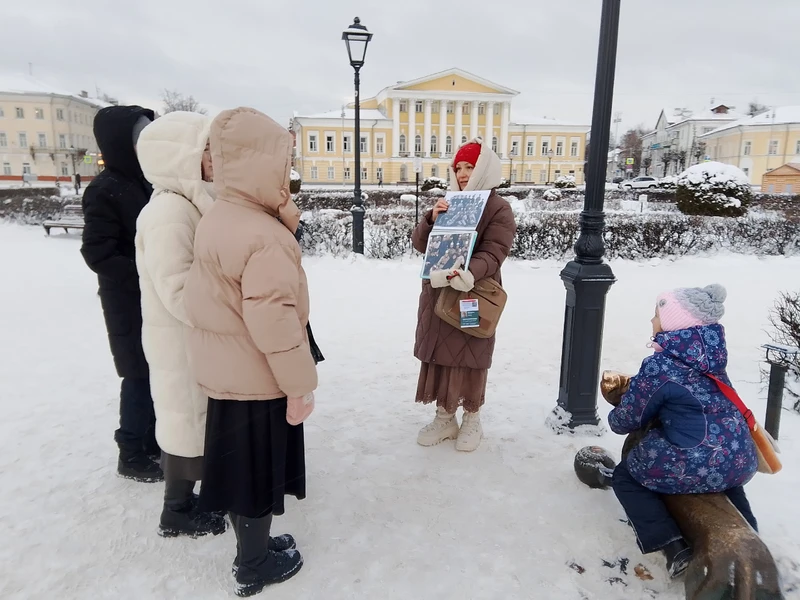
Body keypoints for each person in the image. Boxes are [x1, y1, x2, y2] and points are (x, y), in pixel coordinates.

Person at [184, 107, 316, 597]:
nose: (290, 171)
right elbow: (274, 321)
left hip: (229, 372)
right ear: (263, 164)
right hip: (258, 378)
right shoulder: (264, 237)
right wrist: (301, 386)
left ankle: (252, 547)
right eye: (286, 161)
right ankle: (254, 563)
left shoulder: (222, 215)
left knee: (242, 471)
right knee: (256, 474)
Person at [608, 284, 759, 578]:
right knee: (726, 480)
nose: (652, 321)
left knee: (626, 477)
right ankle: (752, 533)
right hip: (739, 458)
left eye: (656, 315)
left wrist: (616, 417)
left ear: (673, 324)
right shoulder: (714, 358)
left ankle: (672, 547)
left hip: (691, 459)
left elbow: (630, 417)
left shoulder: (660, 367)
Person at [134, 111, 227, 537]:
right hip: (182, 342)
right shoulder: (169, 212)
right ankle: (176, 512)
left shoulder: (187, 202)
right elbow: (177, 291)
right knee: (186, 423)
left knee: (190, 422)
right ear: (180, 157)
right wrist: (230, 310)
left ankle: (185, 506)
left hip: (192, 341)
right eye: (206, 149)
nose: (215, 157)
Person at [411, 137, 516, 452]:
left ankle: (472, 418)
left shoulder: (498, 207)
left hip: (473, 292)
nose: (463, 173)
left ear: (484, 167)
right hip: (439, 291)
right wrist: (431, 219)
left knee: (470, 355)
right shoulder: (449, 201)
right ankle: (445, 417)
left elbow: (495, 250)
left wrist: (470, 272)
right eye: (458, 167)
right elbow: (421, 244)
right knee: (440, 355)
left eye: (470, 166)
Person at [80, 105, 162, 482]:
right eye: (139, 138)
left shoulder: (147, 182)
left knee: (156, 369)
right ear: (120, 144)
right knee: (137, 374)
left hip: (152, 295)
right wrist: (144, 275)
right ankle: (130, 451)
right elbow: (97, 252)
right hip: (126, 300)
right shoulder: (104, 189)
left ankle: (151, 441)